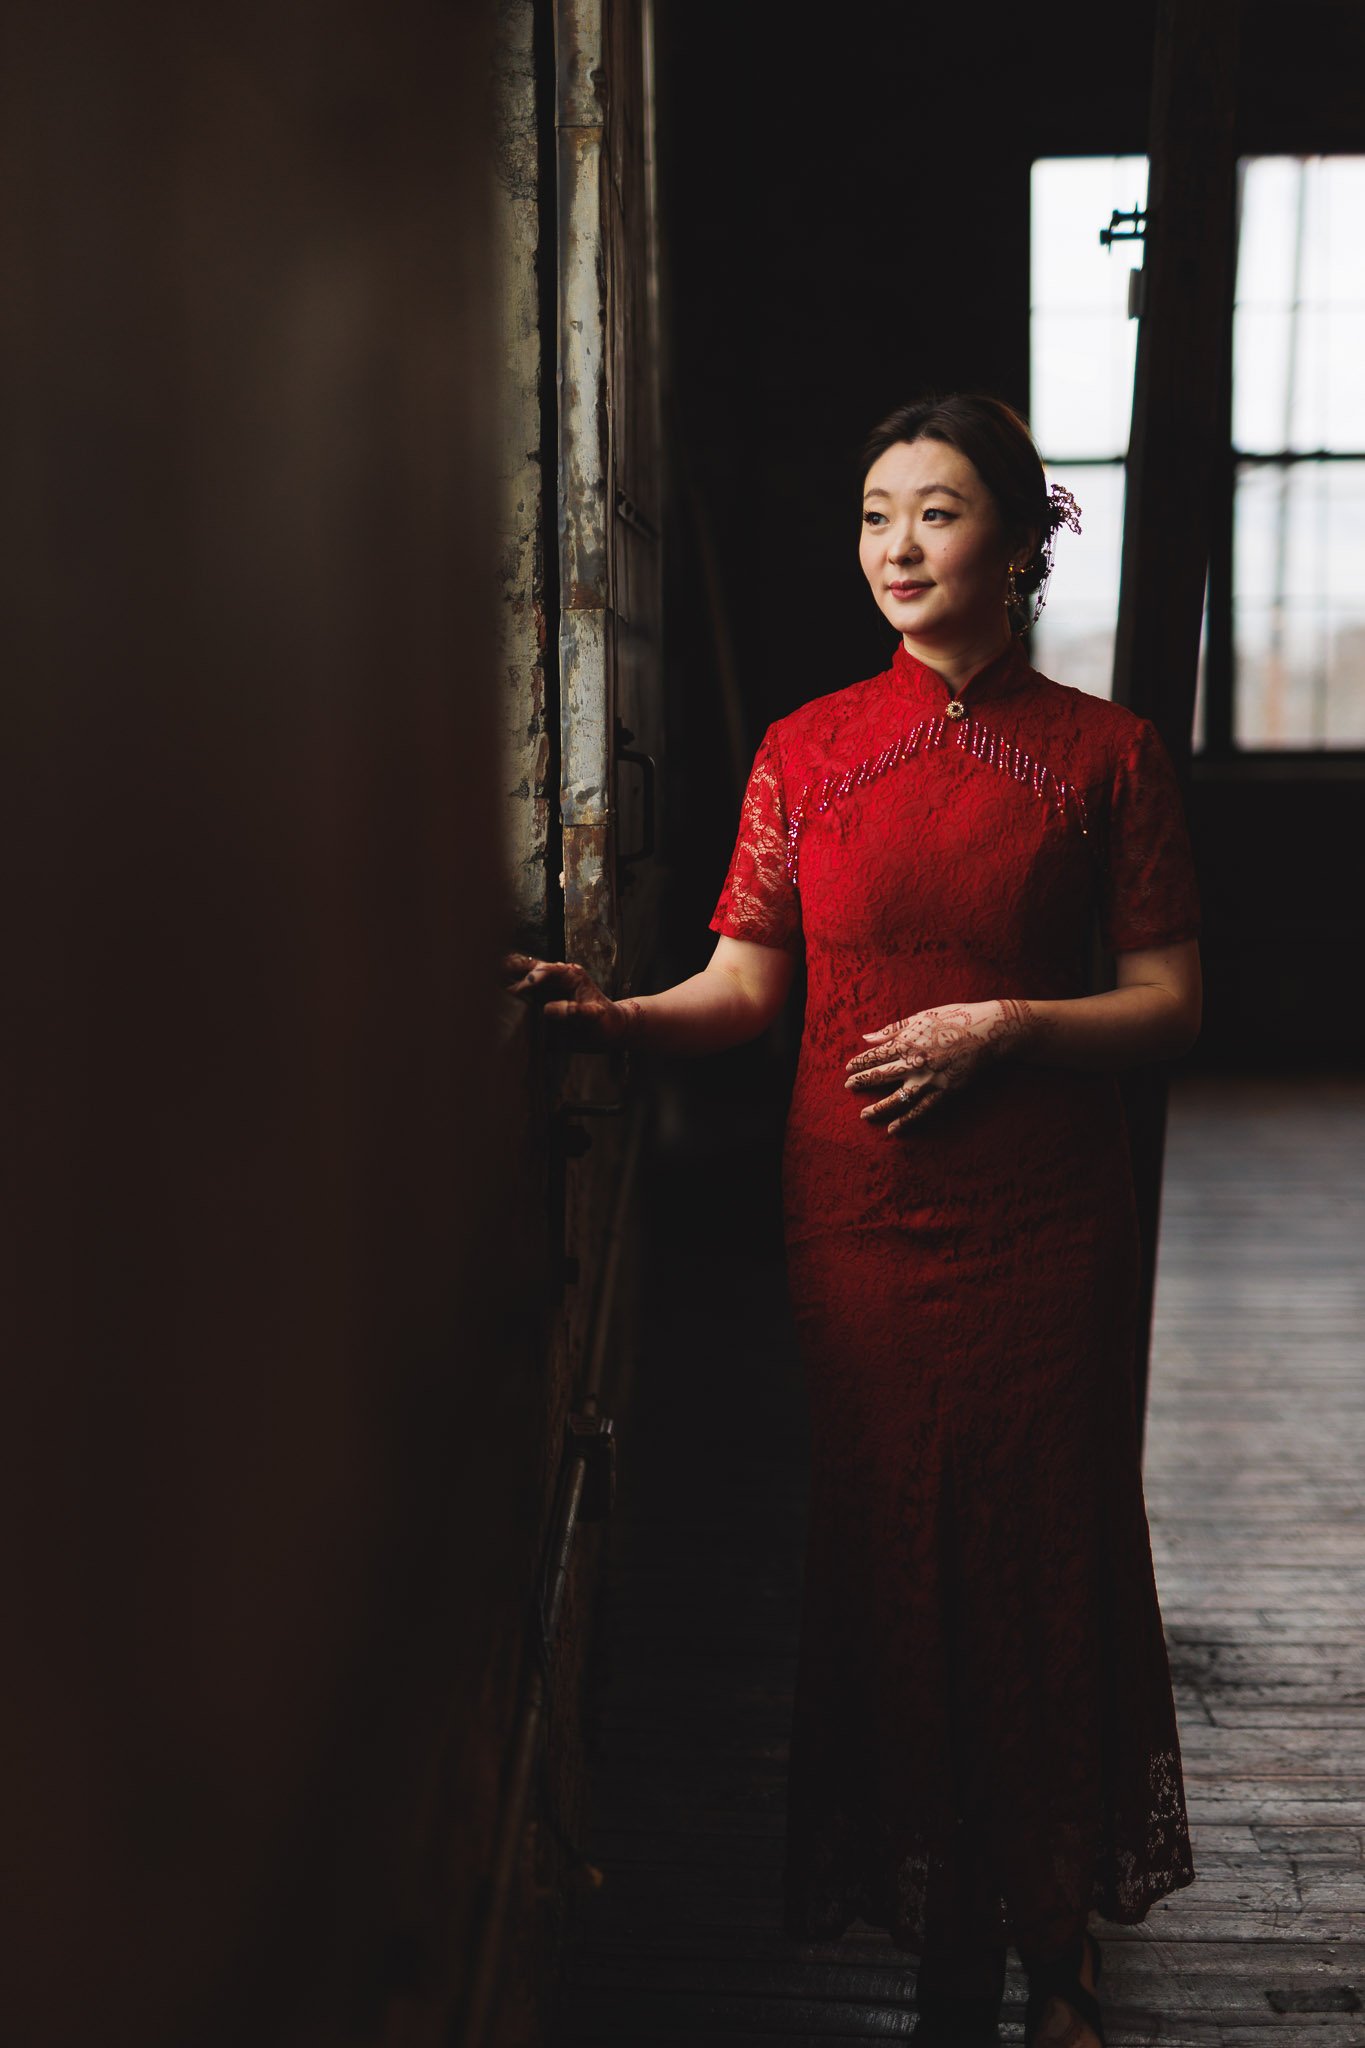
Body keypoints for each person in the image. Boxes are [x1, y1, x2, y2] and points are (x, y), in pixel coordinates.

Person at [505, 393, 1201, 2047]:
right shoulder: (805, 748)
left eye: (938, 510)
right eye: (877, 511)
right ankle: (941, 1919)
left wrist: (1010, 1024)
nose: (897, 543)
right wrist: (607, 1019)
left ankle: (1056, 1939)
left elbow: (1169, 1007)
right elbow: (746, 987)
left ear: (1022, 539)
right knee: (893, 1555)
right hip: (861, 1221)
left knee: (1042, 1552)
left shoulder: (1103, 755)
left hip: (1043, 1219)